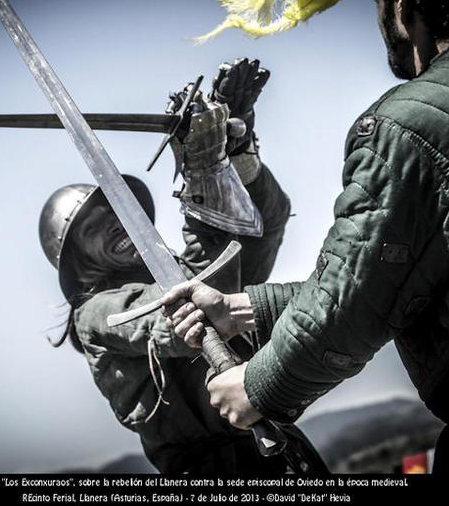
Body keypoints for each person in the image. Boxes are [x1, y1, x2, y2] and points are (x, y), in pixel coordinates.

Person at [163, 0, 449, 473]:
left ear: (404, 0)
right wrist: (240, 309)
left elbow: (354, 297)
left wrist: (256, 387)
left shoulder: (409, 122)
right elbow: (390, 278)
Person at [39, 59, 327, 474]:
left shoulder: (173, 267)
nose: (115, 224)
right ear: (80, 261)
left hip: (282, 447)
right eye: (93, 229)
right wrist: (203, 174)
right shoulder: (95, 315)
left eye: (115, 211)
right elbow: (186, 313)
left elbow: (263, 230)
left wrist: (236, 158)